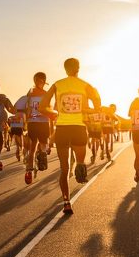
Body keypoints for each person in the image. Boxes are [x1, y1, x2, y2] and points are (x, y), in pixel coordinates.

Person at [39, 58, 101, 214]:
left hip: (62, 128)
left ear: (65, 69)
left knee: (64, 169)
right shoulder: (86, 85)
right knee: (79, 162)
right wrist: (87, 109)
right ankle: (80, 166)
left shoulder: (56, 84)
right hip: (79, 128)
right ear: (78, 68)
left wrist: (55, 114)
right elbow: (98, 104)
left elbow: (42, 107)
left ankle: (66, 201)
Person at [16, 72, 52, 185]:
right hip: (33, 123)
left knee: (43, 147)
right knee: (32, 147)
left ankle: (40, 158)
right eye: (37, 80)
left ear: (44, 81)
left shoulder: (46, 94)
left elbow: (49, 110)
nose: (39, 83)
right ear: (35, 81)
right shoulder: (30, 93)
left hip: (44, 122)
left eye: (41, 81)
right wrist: (25, 119)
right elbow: (24, 108)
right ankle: (29, 171)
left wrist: (51, 126)